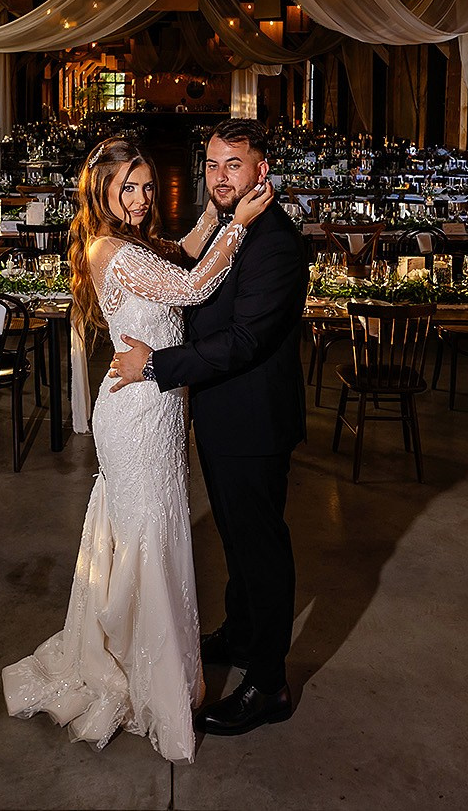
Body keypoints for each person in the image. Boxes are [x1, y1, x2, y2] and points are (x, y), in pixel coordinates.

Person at [3, 135, 277, 763]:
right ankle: (147, 674)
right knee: (149, 536)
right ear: (100, 189)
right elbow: (193, 286)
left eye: (148, 186)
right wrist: (238, 223)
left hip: (157, 407)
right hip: (135, 415)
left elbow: (181, 253)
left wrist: (211, 213)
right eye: (127, 187)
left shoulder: (132, 243)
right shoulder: (112, 251)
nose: (141, 198)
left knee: (153, 530)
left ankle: (144, 653)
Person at [109, 118, 309, 738]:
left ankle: (268, 684)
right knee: (234, 536)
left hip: (254, 422)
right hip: (221, 416)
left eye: (234, 165)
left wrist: (157, 364)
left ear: (261, 171)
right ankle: (240, 634)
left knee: (261, 548)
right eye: (213, 165)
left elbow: (244, 340)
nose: (221, 177)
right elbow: (192, 281)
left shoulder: (274, 241)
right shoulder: (226, 224)